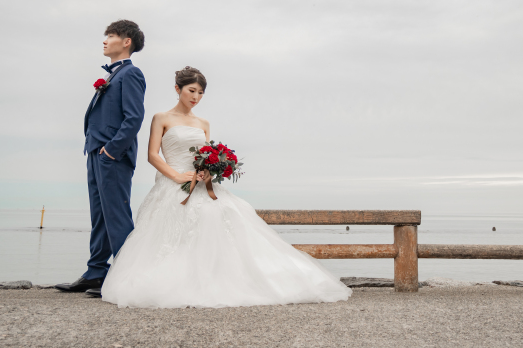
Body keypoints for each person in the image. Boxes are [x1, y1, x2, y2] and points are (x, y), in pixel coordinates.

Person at [100, 67, 351, 308]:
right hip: (173, 182)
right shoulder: (161, 118)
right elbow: (153, 156)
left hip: (203, 184)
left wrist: (211, 168)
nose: (196, 97)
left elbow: (206, 154)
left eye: (200, 93)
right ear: (177, 89)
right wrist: (177, 177)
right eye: (191, 90)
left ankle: (229, 278)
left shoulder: (203, 123)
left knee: (225, 216)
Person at [56, 20, 146, 296]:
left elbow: (134, 118)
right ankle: (96, 272)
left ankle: (126, 277)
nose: (105, 41)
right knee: (100, 215)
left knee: (116, 216)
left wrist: (111, 151)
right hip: (96, 152)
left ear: (126, 41)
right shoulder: (111, 76)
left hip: (112, 156)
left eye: (110, 36)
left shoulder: (131, 74)